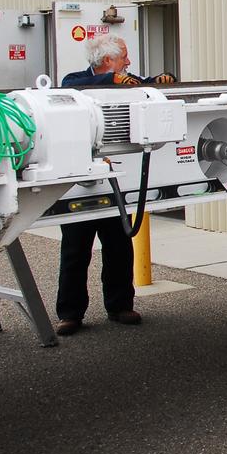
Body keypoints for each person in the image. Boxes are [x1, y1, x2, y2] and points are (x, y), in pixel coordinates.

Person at [55, 34, 173, 336]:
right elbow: (73, 87)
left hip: (116, 182)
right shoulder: (75, 81)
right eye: (124, 57)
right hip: (82, 183)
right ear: (108, 61)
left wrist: (160, 80)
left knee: (120, 248)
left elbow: (146, 83)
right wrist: (114, 79)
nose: (129, 63)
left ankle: (120, 306)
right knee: (75, 251)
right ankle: (70, 313)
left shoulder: (128, 82)